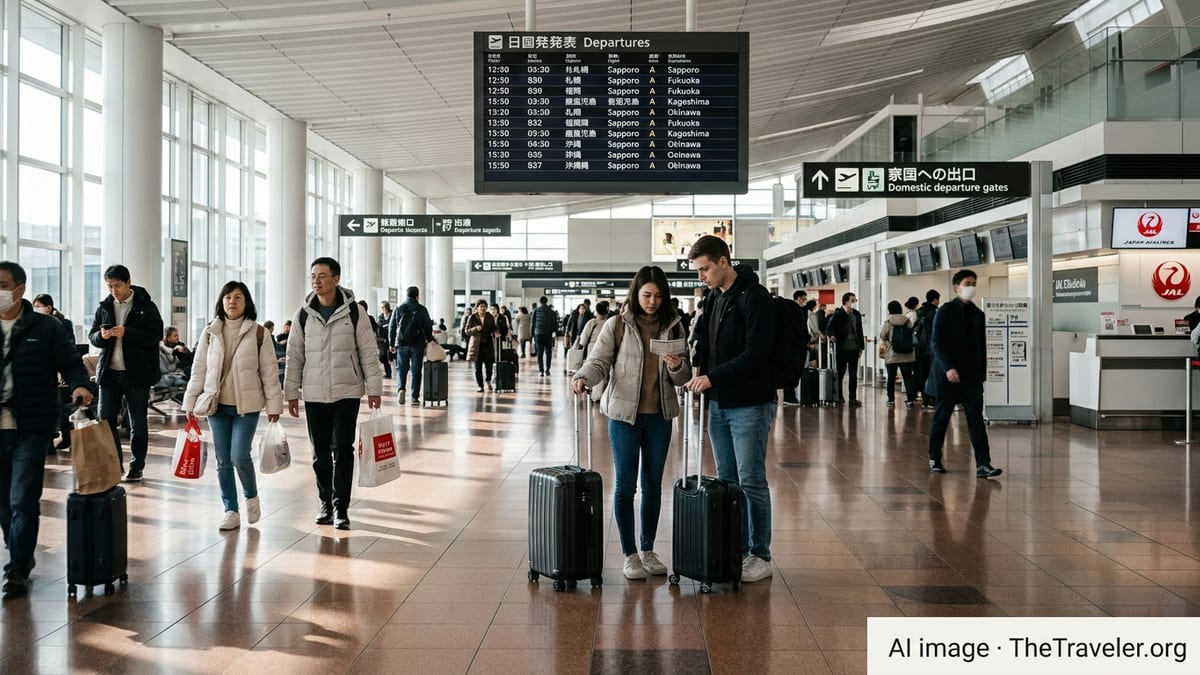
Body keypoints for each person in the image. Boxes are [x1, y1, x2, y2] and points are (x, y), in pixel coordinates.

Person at [572, 267, 691, 580]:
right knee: (626, 485)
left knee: (652, 486)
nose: (652, 302)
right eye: (646, 295)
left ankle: (648, 549)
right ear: (635, 294)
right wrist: (584, 376)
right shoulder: (617, 325)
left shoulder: (674, 326)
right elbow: (599, 361)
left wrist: (677, 366)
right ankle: (629, 554)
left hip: (660, 418)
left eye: (658, 296)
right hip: (625, 418)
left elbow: (684, 376)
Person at [684, 235, 777, 583]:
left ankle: (760, 554)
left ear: (724, 262)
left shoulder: (755, 297)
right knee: (728, 481)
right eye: (698, 270)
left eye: (704, 269)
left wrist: (712, 377)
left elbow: (757, 354)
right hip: (719, 404)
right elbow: (706, 346)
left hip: (749, 404)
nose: (701, 276)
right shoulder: (713, 298)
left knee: (751, 480)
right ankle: (737, 547)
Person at [0, 262, 93, 598]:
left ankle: (18, 568)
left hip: (32, 424)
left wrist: (80, 385)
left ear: (20, 288)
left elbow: (70, 362)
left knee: (23, 499)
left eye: (3, 285)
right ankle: (19, 550)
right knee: (4, 502)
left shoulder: (46, 327)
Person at [284, 257, 383, 531]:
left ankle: (341, 507)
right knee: (319, 453)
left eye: (322, 276)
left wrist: (374, 388)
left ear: (336, 279)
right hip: (314, 394)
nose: (316, 281)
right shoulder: (303, 314)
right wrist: (291, 392)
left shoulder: (354, 313)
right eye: (313, 276)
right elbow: (294, 355)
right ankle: (325, 503)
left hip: (346, 392)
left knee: (343, 449)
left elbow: (368, 352)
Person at [182, 281, 284, 530]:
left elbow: (269, 372)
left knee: (239, 455)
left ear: (246, 302)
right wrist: (190, 401)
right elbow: (199, 369)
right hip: (216, 406)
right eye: (227, 297)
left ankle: (251, 496)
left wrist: (274, 406)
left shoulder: (259, 333)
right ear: (221, 301)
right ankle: (230, 510)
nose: (232, 302)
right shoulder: (210, 332)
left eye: (238, 297)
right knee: (223, 460)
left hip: (246, 407)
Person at [89, 265, 165, 482]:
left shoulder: (146, 306)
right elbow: (92, 335)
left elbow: (156, 335)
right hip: (109, 373)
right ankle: (113, 465)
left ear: (128, 283)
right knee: (105, 421)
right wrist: (101, 337)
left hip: (137, 374)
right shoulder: (104, 306)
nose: (114, 291)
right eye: (110, 286)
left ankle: (136, 466)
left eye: (118, 285)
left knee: (137, 422)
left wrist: (127, 332)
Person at [926, 269, 1002, 479]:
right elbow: (936, 343)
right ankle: (934, 458)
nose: (971, 287)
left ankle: (983, 464)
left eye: (974, 283)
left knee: (976, 420)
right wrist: (948, 368)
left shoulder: (978, 315)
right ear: (956, 287)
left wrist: (982, 374)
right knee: (941, 419)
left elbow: (981, 348)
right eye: (967, 283)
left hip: (970, 378)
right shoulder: (945, 311)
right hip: (947, 376)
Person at [33, 294, 77, 452]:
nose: (36, 309)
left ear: (49, 307)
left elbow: (70, 347)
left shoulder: (63, 323)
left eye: (39, 306)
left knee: (57, 404)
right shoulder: (34, 323)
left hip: (59, 372)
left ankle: (64, 435)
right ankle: (51, 441)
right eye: (34, 306)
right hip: (42, 372)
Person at [389, 287, 433, 405]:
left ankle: (401, 389)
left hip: (402, 343)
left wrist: (391, 343)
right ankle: (414, 397)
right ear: (417, 296)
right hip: (417, 344)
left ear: (407, 295)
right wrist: (430, 340)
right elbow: (427, 326)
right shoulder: (422, 309)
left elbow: (392, 327)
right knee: (416, 370)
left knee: (401, 369)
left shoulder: (399, 308)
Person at [825, 292, 865, 407]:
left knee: (853, 374)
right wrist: (831, 335)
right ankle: (839, 396)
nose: (854, 302)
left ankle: (853, 398)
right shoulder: (838, 313)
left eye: (855, 300)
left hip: (854, 348)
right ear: (846, 301)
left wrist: (861, 346)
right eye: (852, 300)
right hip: (842, 348)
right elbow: (829, 327)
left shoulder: (856, 314)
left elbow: (859, 330)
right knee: (840, 373)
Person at [879, 301, 918, 408]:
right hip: (907, 354)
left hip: (892, 354)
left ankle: (891, 400)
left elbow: (882, 335)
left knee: (891, 378)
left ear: (889, 310)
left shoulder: (888, 322)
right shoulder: (907, 320)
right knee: (907, 378)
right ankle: (910, 400)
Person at [781, 290, 810, 407]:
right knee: (792, 369)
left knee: (791, 370)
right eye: (804, 299)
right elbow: (800, 329)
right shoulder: (794, 310)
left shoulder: (788, 308)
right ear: (798, 298)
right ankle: (789, 397)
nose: (805, 301)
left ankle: (789, 396)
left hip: (790, 345)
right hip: (794, 346)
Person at [914, 290, 941, 409]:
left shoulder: (919, 312)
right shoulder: (934, 313)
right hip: (931, 348)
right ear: (935, 300)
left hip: (920, 347)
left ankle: (925, 400)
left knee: (922, 373)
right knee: (932, 374)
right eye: (938, 299)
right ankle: (932, 400)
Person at [464, 300, 496, 393]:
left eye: (484, 306)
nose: (483, 308)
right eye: (481, 306)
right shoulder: (472, 317)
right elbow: (467, 331)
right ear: (477, 308)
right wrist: (475, 329)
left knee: (489, 365)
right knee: (478, 367)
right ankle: (480, 386)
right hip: (477, 345)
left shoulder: (489, 317)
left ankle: (488, 380)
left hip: (488, 344)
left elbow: (494, 327)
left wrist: (496, 331)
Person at [532, 296, 559, 377]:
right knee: (548, 352)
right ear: (547, 302)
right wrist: (553, 332)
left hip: (538, 334)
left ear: (540, 302)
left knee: (539, 353)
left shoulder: (535, 310)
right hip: (548, 334)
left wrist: (532, 335)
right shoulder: (551, 312)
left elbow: (533, 323)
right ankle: (547, 370)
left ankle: (541, 371)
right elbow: (555, 324)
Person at [377, 302, 393, 379]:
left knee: (393, 356)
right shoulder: (381, 317)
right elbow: (379, 326)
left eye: (383, 307)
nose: (382, 309)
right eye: (382, 307)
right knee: (382, 357)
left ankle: (389, 373)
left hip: (391, 338)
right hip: (383, 339)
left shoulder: (392, 315)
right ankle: (388, 372)